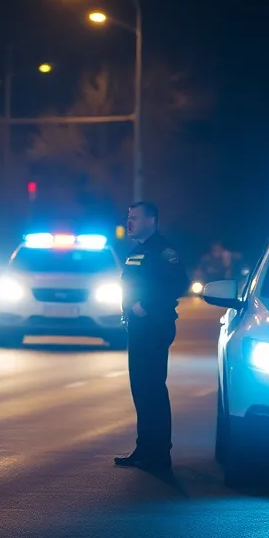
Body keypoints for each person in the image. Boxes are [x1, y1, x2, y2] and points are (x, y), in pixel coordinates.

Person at [115, 200, 189, 470]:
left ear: (151, 220)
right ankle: (144, 447)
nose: (129, 222)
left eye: (134, 217)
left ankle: (159, 452)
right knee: (141, 390)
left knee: (153, 389)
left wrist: (146, 306)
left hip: (155, 326)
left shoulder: (163, 250)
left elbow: (178, 283)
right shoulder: (136, 251)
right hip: (137, 328)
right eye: (128, 216)